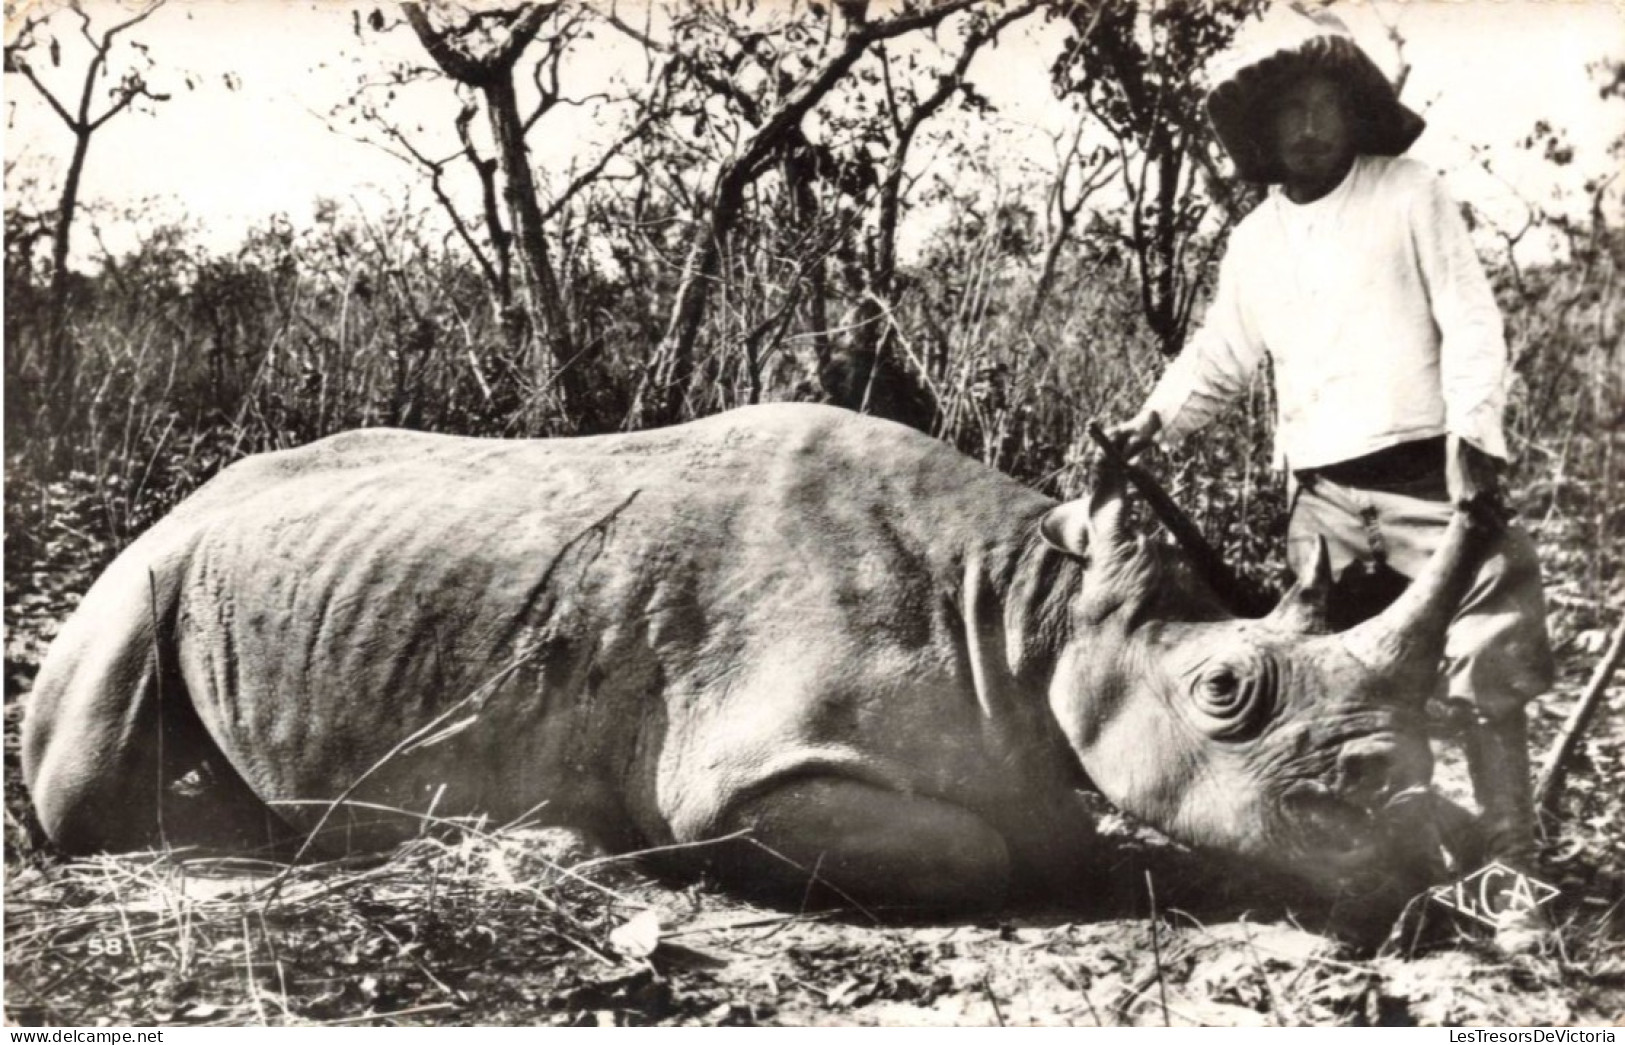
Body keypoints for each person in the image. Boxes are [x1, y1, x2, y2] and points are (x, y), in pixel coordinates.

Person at [1106, 9, 1556, 951]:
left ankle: (1510, 867)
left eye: (1325, 108)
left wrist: (1476, 439)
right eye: (1290, 115)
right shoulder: (1255, 243)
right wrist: (1150, 423)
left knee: (1482, 658)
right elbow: (1218, 358)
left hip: (1428, 471)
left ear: (1354, 115)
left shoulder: (1408, 192)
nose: (1309, 128)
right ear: (1262, 134)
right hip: (1321, 497)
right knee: (1345, 692)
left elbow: (1471, 318)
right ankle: (1401, 868)